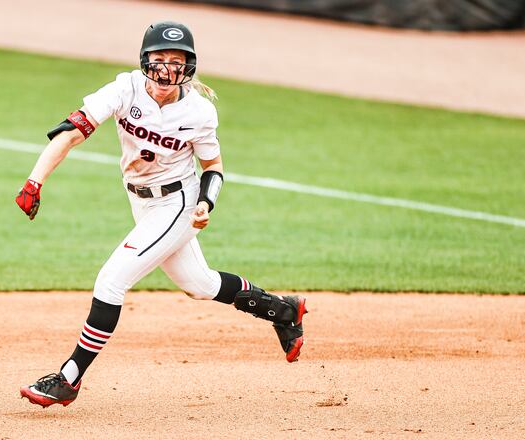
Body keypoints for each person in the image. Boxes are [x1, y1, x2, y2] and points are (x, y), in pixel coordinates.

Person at [16, 21, 307, 408]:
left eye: (177, 60)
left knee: (111, 281)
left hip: (177, 203)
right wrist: (35, 182)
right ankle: (284, 310)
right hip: (141, 200)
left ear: (189, 65)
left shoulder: (199, 112)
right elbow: (71, 131)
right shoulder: (125, 88)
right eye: (160, 59)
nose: (168, 68)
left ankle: (69, 377)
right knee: (199, 283)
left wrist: (206, 202)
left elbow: (214, 167)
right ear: (145, 61)